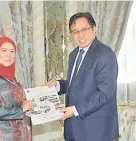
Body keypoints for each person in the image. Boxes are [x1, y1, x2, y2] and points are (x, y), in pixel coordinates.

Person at [44, 12, 119, 141]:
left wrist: (74, 110)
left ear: (93, 29)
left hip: (96, 131)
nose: (80, 35)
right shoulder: (73, 55)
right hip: (73, 128)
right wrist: (57, 85)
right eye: (75, 31)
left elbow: (104, 93)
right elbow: (78, 83)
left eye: (84, 29)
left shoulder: (105, 54)